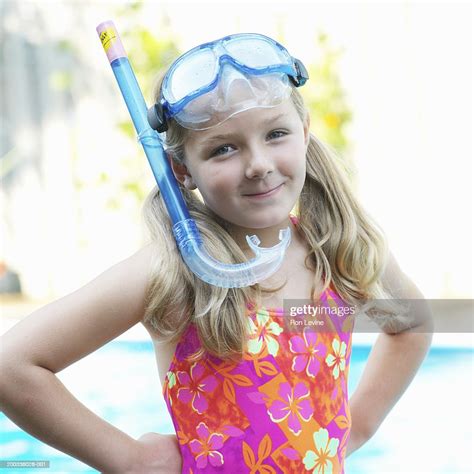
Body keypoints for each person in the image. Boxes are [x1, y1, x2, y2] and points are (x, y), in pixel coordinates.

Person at [0, 33, 433, 474]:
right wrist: (128, 460)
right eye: (223, 148)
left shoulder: (338, 250)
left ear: (304, 134)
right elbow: (11, 367)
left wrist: (356, 427)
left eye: (276, 133)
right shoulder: (174, 271)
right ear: (182, 170)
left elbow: (410, 325)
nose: (258, 164)